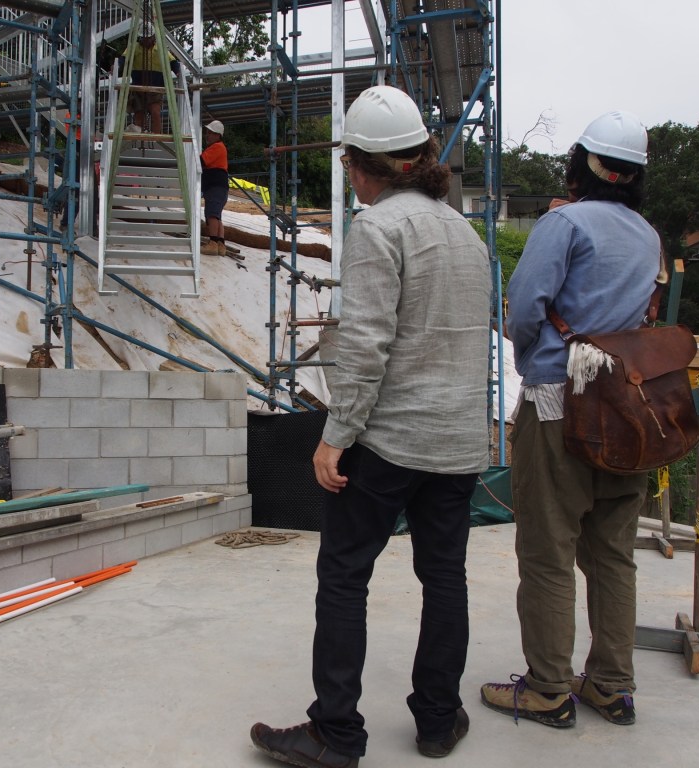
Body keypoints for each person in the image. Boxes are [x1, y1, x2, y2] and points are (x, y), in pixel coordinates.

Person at [249, 85, 492, 767]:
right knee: (445, 576)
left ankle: (336, 733)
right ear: (418, 156)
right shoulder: (465, 233)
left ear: (362, 165)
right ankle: (439, 721)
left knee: (345, 576)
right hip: (458, 444)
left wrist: (336, 434)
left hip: (390, 442)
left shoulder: (380, 230)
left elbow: (364, 342)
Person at [480, 111, 659, 728]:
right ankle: (611, 684)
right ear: (634, 175)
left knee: (548, 549)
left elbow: (525, 306)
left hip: (558, 402)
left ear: (583, 162)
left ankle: (548, 689)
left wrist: (534, 362)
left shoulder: (565, 223)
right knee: (613, 552)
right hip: (626, 411)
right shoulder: (647, 236)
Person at [121, 30, 177, 133]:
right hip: (138, 89)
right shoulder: (134, 47)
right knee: (139, 114)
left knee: (155, 112)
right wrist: (117, 67)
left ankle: (157, 139)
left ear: (153, 37)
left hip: (156, 89)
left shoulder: (160, 49)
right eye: (144, 39)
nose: (146, 41)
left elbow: (172, 62)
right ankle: (140, 138)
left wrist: (178, 72)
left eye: (148, 38)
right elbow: (123, 59)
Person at [199, 120, 229, 256]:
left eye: (210, 133)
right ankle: (220, 244)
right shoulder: (219, 147)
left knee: (212, 215)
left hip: (215, 187)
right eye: (207, 133)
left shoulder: (217, 147)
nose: (207, 136)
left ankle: (212, 243)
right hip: (219, 188)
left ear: (218, 135)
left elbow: (202, 161)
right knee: (217, 217)